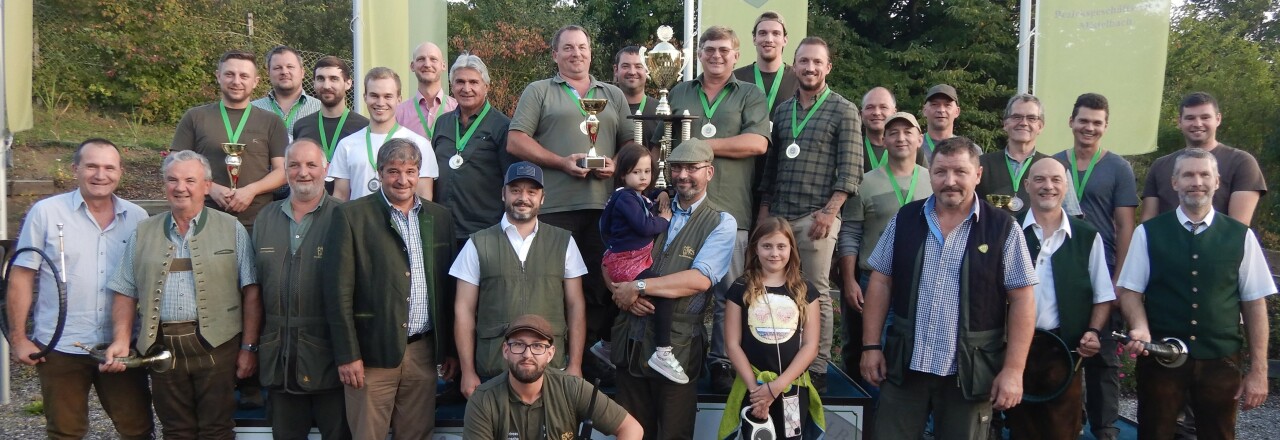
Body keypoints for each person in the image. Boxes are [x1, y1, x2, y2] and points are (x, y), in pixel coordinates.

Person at [859, 137, 1037, 440]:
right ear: (931, 174)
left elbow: (1022, 300)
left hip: (969, 373)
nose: (949, 181)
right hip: (905, 366)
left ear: (978, 175)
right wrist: (871, 346)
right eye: (941, 172)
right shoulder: (905, 219)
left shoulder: (1003, 228)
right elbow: (881, 281)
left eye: (960, 172)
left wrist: (1013, 371)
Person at [1116, 148, 1274, 440]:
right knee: (1155, 433)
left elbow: (1254, 303)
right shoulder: (1148, 232)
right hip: (1161, 358)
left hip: (1221, 361)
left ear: (1217, 182)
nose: (1196, 181)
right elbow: (1129, 291)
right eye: (1188, 174)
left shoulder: (1241, 236)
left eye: (1204, 175)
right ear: (1175, 183)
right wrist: (1140, 326)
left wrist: (1259, 370)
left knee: (1219, 434)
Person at [102, 150, 260, 438]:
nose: (180, 187)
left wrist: (248, 348)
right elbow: (125, 290)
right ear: (164, 185)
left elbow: (251, 292)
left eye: (190, 180)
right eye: (172, 180)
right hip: (161, 348)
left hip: (218, 346)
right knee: (176, 429)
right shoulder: (143, 231)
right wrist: (122, 340)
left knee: (217, 429)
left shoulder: (232, 228)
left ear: (207, 186)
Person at [6, 139, 153, 439]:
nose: (101, 175)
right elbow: (21, 275)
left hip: (120, 346)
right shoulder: (46, 212)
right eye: (92, 166)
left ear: (120, 172)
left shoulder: (137, 218)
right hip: (61, 345)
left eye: (109, 167)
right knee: (65, 431)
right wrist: (19, 338)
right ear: (75, 169)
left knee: (137, 428)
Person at [507, 25, 634, 367]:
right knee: (551, 286)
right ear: (555, 54)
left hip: (603, 207)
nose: (576, 54)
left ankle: (589, 356)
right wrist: (560, 163)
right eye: (568, 48)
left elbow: (629, 144)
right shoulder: (540, 91)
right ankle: (549, 356)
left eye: (582, 47)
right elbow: (516, 140)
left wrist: (616, 164)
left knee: (598, 285)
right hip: (554, 208)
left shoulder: (612, 94)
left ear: (591, 52)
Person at [323, 138, 457, 440]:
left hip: (423, 354)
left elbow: (447, 291)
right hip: (370, 355)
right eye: (394, 171)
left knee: (417, 434)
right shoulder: (351, 216)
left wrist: (447, 348)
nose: (403, 180)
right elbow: (337, 292)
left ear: (419, 173)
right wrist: (347, 354)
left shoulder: (440, 217)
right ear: (380, 172)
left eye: (411, 171)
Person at [664, 25, 770, 393]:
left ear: (736, 55)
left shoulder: (750, 94)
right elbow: (663, 144)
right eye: (709, 49)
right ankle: (675, 351)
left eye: (724, 50)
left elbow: (757, 143)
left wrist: (698, 146)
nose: (716, 55)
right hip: (681, 208)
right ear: (700, 54)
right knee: (679, 285)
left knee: (730, 293)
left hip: (731, 208)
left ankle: (723, 360)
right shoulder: (678, 92)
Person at [607, 139, 737, 438]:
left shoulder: (721, 222)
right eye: (676, 167)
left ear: (710, 173)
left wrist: (638, 286)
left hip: (677, 349)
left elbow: (700, 280)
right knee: (630, 432)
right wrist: (621, 293)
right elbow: (611, 257)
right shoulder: (646, 204)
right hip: (630, 341)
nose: (682, 175)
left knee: (673, 434)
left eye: (693, 168)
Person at [757, 36, 860, 391]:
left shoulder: (844, 110)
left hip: (818, 218)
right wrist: (765, 214)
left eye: (817, 62)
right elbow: (769, 170)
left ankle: (817, 366)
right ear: (794, 65)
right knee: (775, 289)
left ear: (828, 67)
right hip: (780, 220)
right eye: (803, 61)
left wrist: (830, 212)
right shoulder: (783, 111)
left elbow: (850, 169)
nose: (810, 68)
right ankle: (778, 355)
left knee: (815, 290)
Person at [451, 161, 589, 397]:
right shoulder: (477, 242)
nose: (523, 197)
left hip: (550, 369)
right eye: (515, 190)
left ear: (542, 197)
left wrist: (575, 365)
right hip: (493, 369)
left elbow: (576, 305)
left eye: (531, 192)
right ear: (503, 193)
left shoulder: (564, 241)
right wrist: (467, 371)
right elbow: (463, 309)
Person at [1002, 159, 1115, 440]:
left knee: (1062, 431)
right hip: (1013, 349)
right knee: (1018, 429)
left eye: (1055, 179)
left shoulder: (1087, 236)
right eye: (1039, 179)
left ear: (1066, 187)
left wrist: (1092, 332)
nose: (1048, 186)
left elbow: (1103, 295)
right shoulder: (1006, 229)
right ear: (1027, 186)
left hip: (1064, 353)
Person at [1049, 93, 1138, 440]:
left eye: (1097, 122)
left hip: (1104, 270)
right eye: (1083, 120)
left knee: (1102, 354)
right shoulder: (1055, 163)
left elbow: (1126, 225)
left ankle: (1105, 427)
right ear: (1071, 122)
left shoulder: (1118, 167)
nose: (1089, 127)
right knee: (1061, 348)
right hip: (1061, 271)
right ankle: (1064, 419)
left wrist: (1121, 279)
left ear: (1105, 127)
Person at [251, 139, 350, 439]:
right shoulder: (265, 218)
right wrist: (249, 347)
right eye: (294, 165)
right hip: (279, 359)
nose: (303, 173)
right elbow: (253, 288)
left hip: (330, 359)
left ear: (326, 170)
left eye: (311, 165)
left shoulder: (345, 217)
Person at [837, 112, 931, 385]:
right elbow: (851, 233)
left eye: (907, 132)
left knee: (916, 351)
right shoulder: (864, 182)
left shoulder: (933, 181)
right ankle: (873, 420)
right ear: (884, 139)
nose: (900, 138)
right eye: (893, 133)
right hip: (873, 280)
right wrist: (850, 280)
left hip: (922, 280)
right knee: (871, 350)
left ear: (919, 139)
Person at [719, 217, 824, 440]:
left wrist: (776, 388)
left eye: (781, 246)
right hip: (752, 388)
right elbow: (732, 344)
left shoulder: (805, 290)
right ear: (755, 248)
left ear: (791, 249)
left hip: (792, 390)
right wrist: (757, 392)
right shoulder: (740, 288)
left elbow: (810, 346)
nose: (774, 253)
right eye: (767, 246)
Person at [463, 314, 644, 440]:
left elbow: (631, 428)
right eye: (518, 345)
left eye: (537, 346)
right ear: (505, 351)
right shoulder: (483, 399)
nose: (527, 354)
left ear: (550, 354)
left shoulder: (572, 388)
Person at [171, 49, 288, 230]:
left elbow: (282, 172)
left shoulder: (271, 121)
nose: (236, 81)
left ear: (255, 82)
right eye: (229, 74)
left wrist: (251, 191)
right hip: (204, 218)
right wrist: (210, 187)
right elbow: (174, 165)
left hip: (257, 222)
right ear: (218, 76)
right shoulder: (195, 117)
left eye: (244, 76)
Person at [598, 145, 678, 382]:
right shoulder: (624, 197)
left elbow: (647, 199)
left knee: (621, 299)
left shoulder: (633, 195)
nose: (643, 177)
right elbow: (644, 226)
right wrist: (663, 221)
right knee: (662, 290)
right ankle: (663, 351)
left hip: (625, 257)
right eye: (636, 172)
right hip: (626, 260)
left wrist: (661, 193)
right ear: (622, 174)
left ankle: (604, 343)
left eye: (647, 171)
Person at [1140, 91, 1267, 225]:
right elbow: (1148, 224)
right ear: (1179, 122)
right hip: (1167, 244)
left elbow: (1238, 228)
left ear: (1218, 119)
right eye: (1190, 118)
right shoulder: (1160, 166)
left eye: (1205, 117)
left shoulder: (1242, 162)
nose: (1198, 124)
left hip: (1220, 245)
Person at [432, 53, 512, 245]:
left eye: (473, 82)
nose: (466, 88)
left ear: (487, 86)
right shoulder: (442, 123)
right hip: (443, 229)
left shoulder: (502, 126)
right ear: (452, 86)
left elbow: (510, 180)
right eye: (460, 82)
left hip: (484, 230)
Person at [330, 67, 437, 201]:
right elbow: (340, 196)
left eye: (387, 96)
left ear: (399, 99)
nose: (380, 103)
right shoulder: (347, 145)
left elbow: (424, 197)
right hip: (359, 221)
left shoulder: (420, 144)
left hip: (403, 221)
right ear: (365, 97)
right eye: (374, 95)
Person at [291, 56, 370, 190]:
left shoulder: (364, 126)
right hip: (311, 204)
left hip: (350, 204)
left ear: (348, 83)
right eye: (321, 79)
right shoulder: (302, 126)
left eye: (334, 79)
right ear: (314, 83)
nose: (326, 86)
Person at [975, 94, 1056, 213]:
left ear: (1040, 126)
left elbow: (1070, 214)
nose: (1023, 123)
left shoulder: (1055, 168)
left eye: (1032, 118)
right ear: (1005, 123)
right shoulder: (980, 164)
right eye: (1017, 117)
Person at [733, 11, 800, 119]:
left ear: (785, 40)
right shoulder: (736, 79)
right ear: (754, 39)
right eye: (763, 33)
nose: (769, 39)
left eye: (776, 33)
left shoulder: (798, 79)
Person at [251, 45, 324, 140]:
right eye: (277, 68)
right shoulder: (253, 110)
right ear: (268, 73)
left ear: (302, 72)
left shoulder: (320, 109)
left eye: (290, 67)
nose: (284, 72)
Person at [395, 42, 459, 139]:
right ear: (412, 66)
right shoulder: (399, 114)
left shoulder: (458, 109)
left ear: (443, 65)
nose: (427, 64)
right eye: (421, 59)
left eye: (433, 59)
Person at [613, 46, 659, 153]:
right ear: (616, 70)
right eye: (625, 66)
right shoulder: (606, 110)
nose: (632, 72)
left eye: (638, 66)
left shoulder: (661, 110)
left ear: (647, 70)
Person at [920, 84, 961, 162]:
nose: (941, 110)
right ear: (924, 110)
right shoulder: (913, 147)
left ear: (957, 112)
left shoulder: (970, 150)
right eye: (934, 104)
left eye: (947, 105)